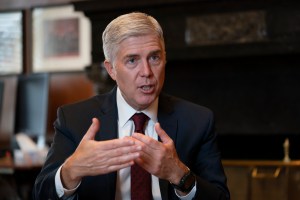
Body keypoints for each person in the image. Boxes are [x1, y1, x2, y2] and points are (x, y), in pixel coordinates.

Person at [33, 12, 230, 200]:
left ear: (165, 59)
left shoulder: (198, 121)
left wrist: (178, 174)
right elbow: (41, 194)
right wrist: (71, 170)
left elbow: (220, 197)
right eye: (132, 60)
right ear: (111, 69)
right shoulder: (75, 119)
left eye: (154, 57)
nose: (146, 72)